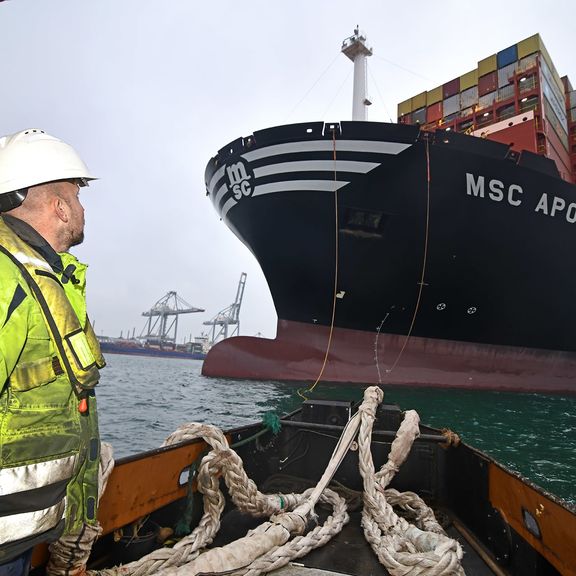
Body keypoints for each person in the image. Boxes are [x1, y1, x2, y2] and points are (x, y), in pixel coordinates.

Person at [0, 129, 106, 576]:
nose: (83, 209)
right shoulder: (8, 281)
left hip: (22, 533)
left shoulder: (48, 279)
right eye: (78, 197)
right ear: (60, 205)